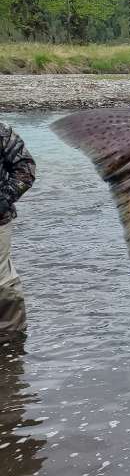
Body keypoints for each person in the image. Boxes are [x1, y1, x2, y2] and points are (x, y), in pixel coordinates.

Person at [0, 121, 36, 335]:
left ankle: (12, 340)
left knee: (2, 283)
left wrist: (4, 200)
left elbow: (26, 168)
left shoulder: (2, 133)